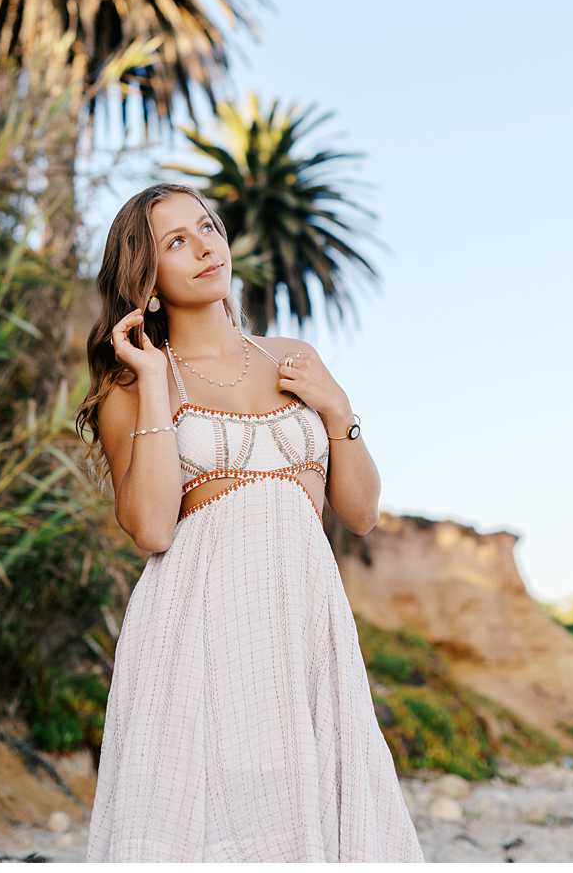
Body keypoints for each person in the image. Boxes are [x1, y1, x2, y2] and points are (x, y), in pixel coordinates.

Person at [75, 182, 424, 859]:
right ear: (146, 279)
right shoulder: (131, 385)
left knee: (308, 807)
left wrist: (337, 407)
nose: (205, 245)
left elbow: (359, 512)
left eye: (207, 227)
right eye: (176, 241)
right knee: (214, 816)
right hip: (196, 622)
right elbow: (151, 528)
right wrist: (150, 381)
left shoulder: (295, 358)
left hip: (302, 619)